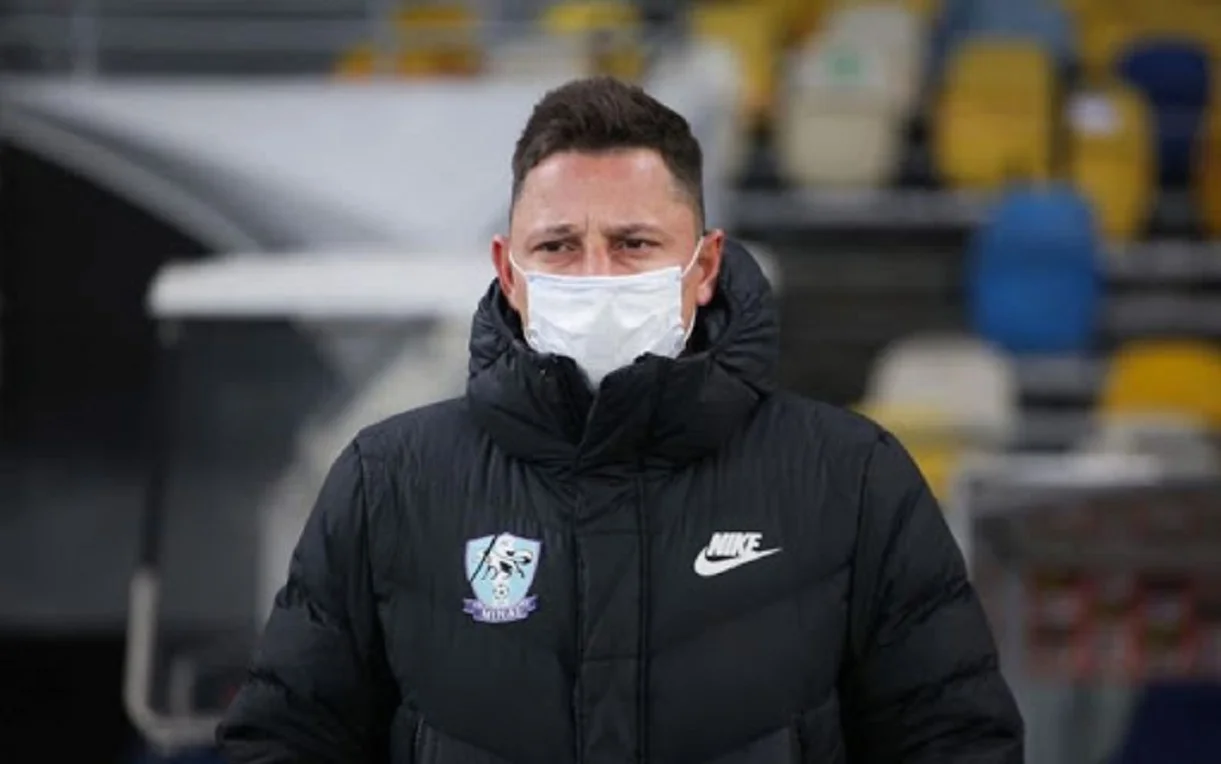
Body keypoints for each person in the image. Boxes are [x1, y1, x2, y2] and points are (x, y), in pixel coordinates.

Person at [217, 76, 1023, 764]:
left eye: (633, 243)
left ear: (704, 266)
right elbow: (283, 740)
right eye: (558, 246)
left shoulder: (850, 482)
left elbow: (956, 742)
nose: (595, 275)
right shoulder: (389, 482)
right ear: (507, 270)